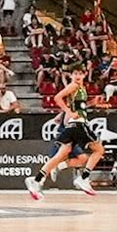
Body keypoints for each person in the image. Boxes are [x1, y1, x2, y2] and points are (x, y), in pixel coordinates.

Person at [27, 68, 103, 199]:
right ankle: (83, 178)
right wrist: (68, 111)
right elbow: (57, 97)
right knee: (99, 150)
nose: (78, 76)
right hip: (79, 124)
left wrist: (92, 103)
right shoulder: (73, 85)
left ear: (84, 75)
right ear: (71, 75)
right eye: (75, 73)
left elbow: (79, 107)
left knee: (61, 155)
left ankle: (37, 179)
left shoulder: (81, 88)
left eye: (80, 73)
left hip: (72, 126)